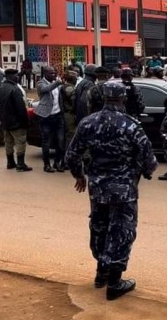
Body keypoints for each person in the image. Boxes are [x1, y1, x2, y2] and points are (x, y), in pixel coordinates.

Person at [65, 82, 157, 301]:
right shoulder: (131, 125)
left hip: (98, 188)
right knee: (122, 231)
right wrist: (146, 171)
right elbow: (149, 159)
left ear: (104, 98)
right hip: (124, 189)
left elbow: (71, 155)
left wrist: (79, 175)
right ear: (123, 99)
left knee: (100, 226)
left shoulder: (88, 123)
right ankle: (115, 283)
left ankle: (100, 274)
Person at [0, 69, 32, 172]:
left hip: (5, 122)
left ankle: (10, 163)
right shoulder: (15, 90)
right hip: (16, 123)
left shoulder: (0, 89)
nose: (18, 77)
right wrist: (25, 122)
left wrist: (1, 120)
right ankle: (20, 164)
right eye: (16, 76)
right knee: (20, 142)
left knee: (8, 143)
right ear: (11, 77)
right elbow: (20, 109)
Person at [35, 66, 66, 173]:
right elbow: (46, 89)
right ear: (45, 74)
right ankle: (46, 165)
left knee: (60, 141)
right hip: (45, 117)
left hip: (58, 116)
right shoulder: (40, 83)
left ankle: (57, 163)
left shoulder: (56, 84)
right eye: (51, 73)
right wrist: (58, 82)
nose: (54, 75)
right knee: (46, 142)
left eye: (54, 73)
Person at [60, 70, 79, 166]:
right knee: (70, 137)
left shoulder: (64, 87)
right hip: (69, 114)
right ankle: (67, 160)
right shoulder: (70, 88)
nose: (76, 79)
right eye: (75, 78)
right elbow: (73, 103)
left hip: (65, 114)